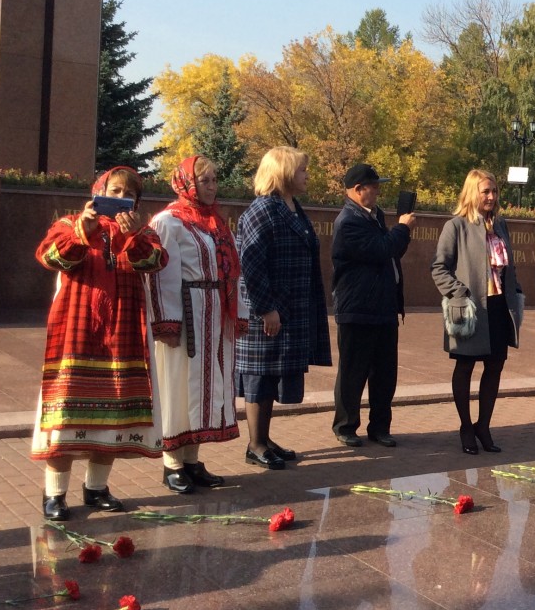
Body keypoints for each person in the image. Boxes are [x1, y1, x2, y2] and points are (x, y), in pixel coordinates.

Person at [33, 166, 167, 519]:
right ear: (99, 192)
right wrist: (84, 232)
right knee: (65, 413)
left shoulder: (143, 231)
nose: (122, 198)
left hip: (123, 333)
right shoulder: (70, 224)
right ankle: (55, 494)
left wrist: (134, 236)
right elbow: (49, 257)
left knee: (113, 414)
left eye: (129, 194)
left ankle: (96, 488)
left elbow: (155, 262)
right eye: (115, 191)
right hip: (77, 332)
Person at [146, 156, 243, 494]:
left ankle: (191, 460)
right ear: (186, 183)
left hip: (214, 314)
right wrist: (167, 323)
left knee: (204, 387)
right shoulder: (168, 222)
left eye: (215, 180)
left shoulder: (215, 222)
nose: (212, 187)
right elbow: (161, 277)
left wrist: (238, 312)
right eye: (205, 181)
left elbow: (233, 271)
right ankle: (172, 463)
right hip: (186, 316)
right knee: (178, 385)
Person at [235, 146, 331, 470]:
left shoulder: (292, 207)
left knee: (272, 375)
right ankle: (255, 445)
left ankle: (264, 438)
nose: (307, 175)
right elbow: (250, 265)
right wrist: (266, 308)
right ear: (284, 173)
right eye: (302, 169)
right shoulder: (262, 210)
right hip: (268, 312)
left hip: (290, 308)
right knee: (260, 377)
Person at [431, 169, 523, 454]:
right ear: (472, 193)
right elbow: (439, 268)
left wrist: (516, 291)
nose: (491, 197)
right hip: (471, 309)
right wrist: (460, 293)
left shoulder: (501, 224)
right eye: (486, 191)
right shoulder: (456, 226)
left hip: (498, 308)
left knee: (495, 366)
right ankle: (465, 427)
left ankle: (484, 426)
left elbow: (508, 267)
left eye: (494, 191)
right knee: (465, 366)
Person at [331, 162, 413, 449]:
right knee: (353, 372)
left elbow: (392, 252)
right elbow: (380, 250)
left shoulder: (374, 216)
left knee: (384, 374)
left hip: (383, 307)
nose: (378, 191)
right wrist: (402, 228)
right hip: (357, 309)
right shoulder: (348, 221)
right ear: (358, 189)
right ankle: (345, 426)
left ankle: (380, 427)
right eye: (374, 186)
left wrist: (402, 232)